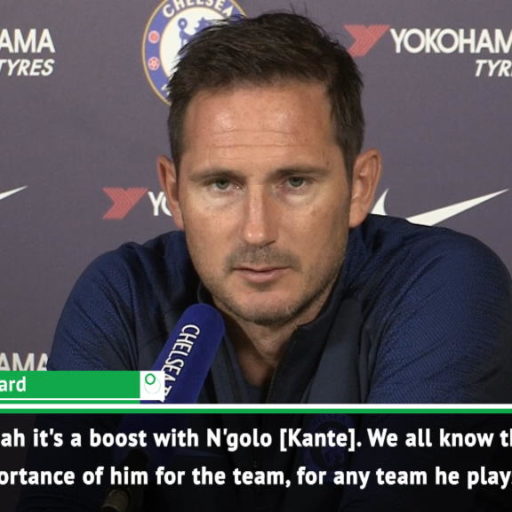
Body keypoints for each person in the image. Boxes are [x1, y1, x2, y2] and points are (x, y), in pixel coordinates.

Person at [21, 12, 512, 512]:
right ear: (173, 191)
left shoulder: (443, 287)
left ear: (359, 187)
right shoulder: (122, 295)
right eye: (222, 184)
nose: (257, 231)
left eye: (295, 182)